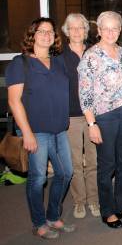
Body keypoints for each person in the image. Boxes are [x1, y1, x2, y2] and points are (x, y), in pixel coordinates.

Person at [6, 17, 75, 239]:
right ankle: (39, 223)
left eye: (50, 32)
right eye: (41, 31)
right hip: (35, 130)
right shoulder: (20, 63)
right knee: (38, 178)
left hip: (59, 128)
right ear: (32, 35)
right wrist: (26, 132)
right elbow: (14, 101)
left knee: (66, 173)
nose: (46, 35)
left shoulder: (59, 62)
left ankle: (53, 216)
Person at [78, 11, 122, 229]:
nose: (111, 32)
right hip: (104, 116)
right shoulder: (91, 56)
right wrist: (91, 123)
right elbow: (84, 94)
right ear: (99, 30)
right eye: (107, 28)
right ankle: (107, 210)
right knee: (107, 164)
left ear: (120, 30)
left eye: (115, 28)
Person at [61, 13, 100, 219]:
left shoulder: (94, 53)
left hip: (94, 116)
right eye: (73, 28)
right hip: (72, 117)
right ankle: (79, 201)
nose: (77, 31)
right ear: (67, 31)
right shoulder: (59, 56)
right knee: (75, 162)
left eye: (81, 28)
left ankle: (93, 200)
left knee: (93, 161)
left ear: (86, 31)